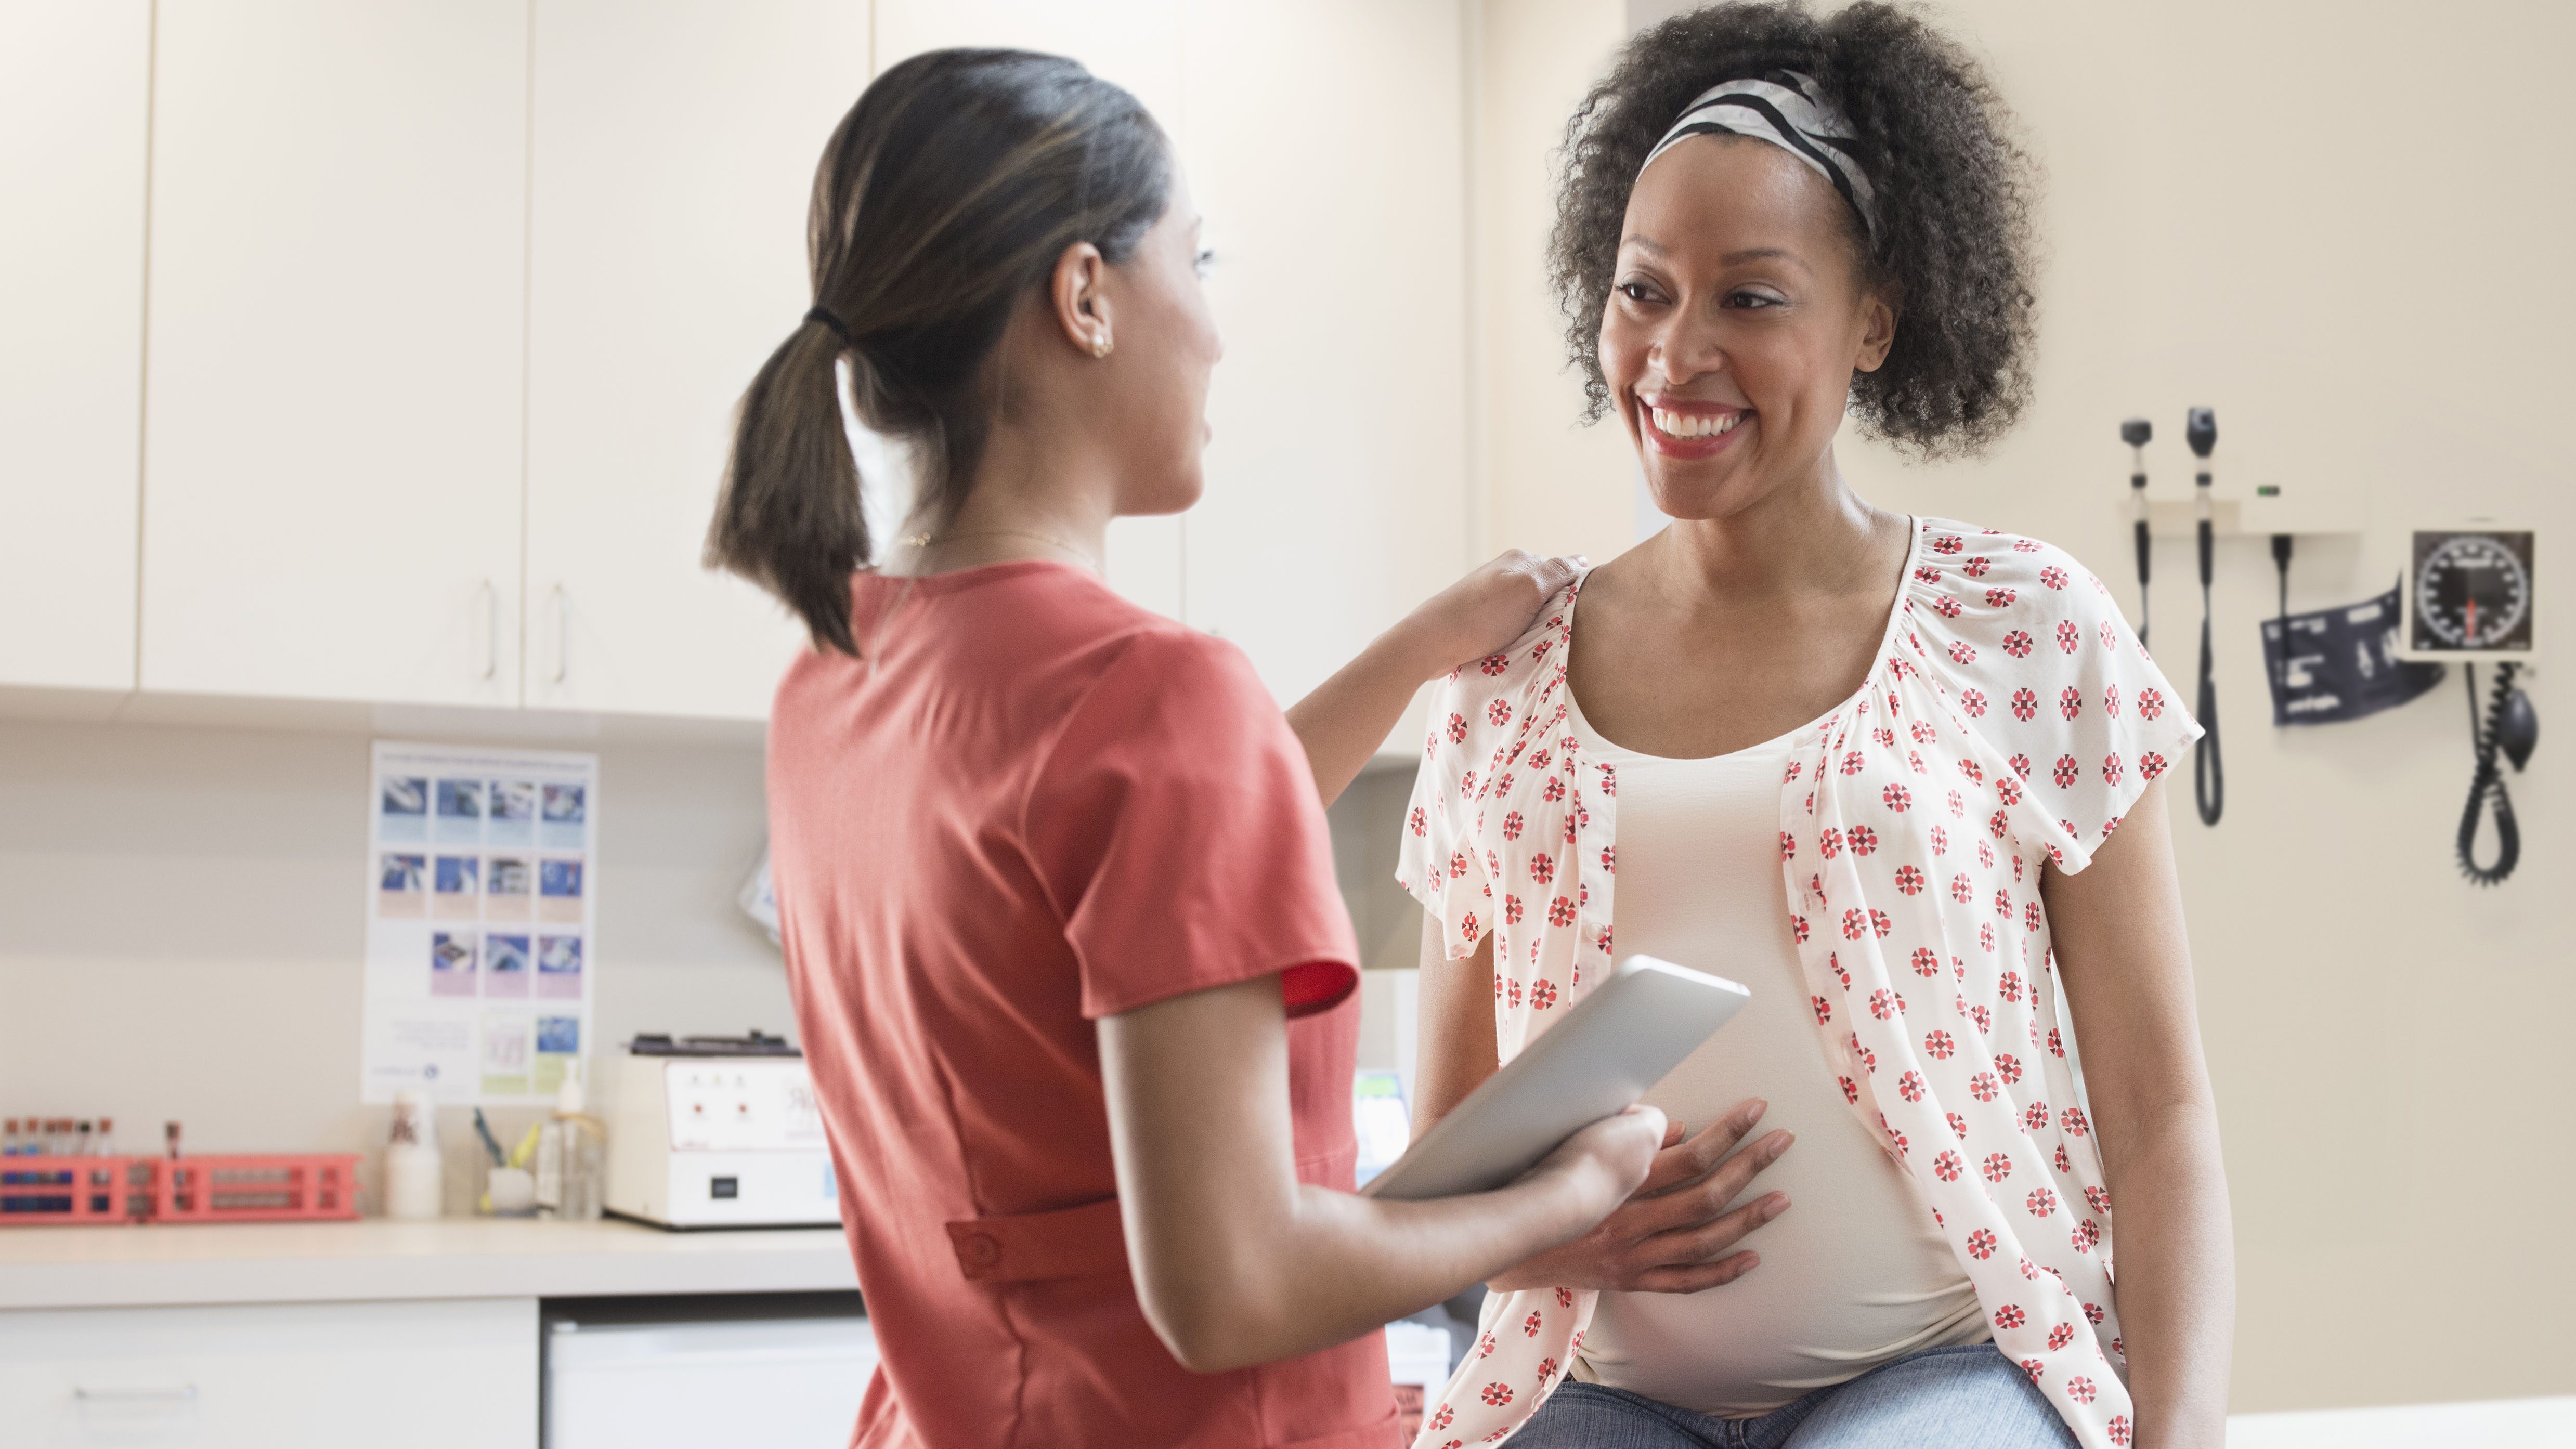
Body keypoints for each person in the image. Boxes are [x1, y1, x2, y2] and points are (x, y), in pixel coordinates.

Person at [704, 48, 1667, 1449]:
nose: (1214, 328)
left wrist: (1412, 650)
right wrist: (1564, 1203)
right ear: (1085, 295)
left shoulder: (836, 673)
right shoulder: (1146, 694)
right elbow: (1231, 1291)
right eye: (1195, 262)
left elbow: (1132, 851)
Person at [1398, 7, 2234, 1448]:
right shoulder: (1504, 672)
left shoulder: (2022, 624)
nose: (1675, 353)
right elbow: (1437, 1173)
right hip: (1590, 1389)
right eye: (1642, 291)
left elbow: (2157, 1116)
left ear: (1873, 321)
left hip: (1942, 1371)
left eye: (1750, 298)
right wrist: (1551, 1235)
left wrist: (2182, 1433)